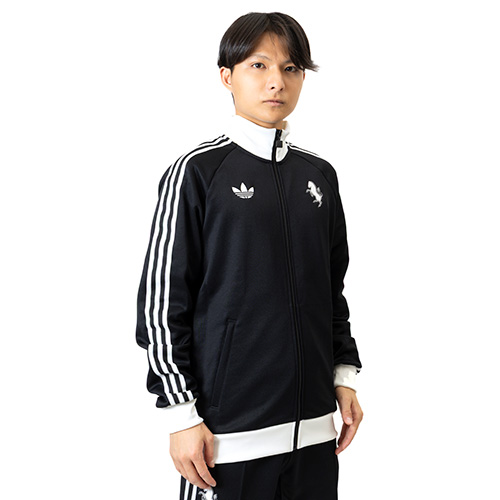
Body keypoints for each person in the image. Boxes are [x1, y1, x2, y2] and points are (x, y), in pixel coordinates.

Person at [136, 12, 363, 500]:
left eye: (290, 68)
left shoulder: (319, 176)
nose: (276, 82)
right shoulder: (197, 172)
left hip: (315, 435)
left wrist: (343, 375)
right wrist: (180, 414)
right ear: (227, 76)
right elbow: (161, 304)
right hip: (227, 440)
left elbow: (331, 290)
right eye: (258, 66)